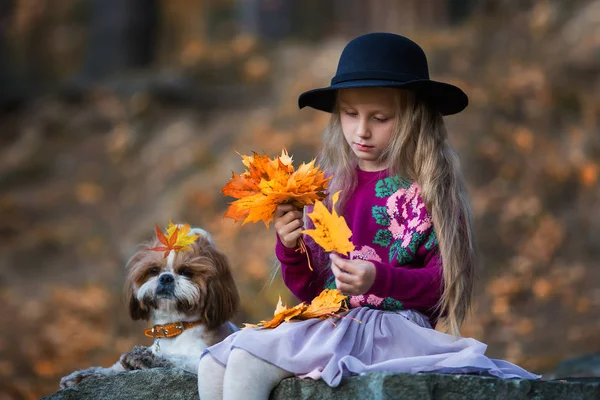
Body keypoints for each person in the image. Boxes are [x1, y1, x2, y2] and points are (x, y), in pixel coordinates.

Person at [197, 32, 539, 400]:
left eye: (380, 117)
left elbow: (444, 286)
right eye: (349, 114)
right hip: (330, 323)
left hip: (389, 332)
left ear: (414, 118)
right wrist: (290, 247)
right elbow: (312, 290)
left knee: (247, 361)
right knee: (212, 363)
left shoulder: (427, 193)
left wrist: (379, 278)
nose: (361, 131)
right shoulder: (328, 189)